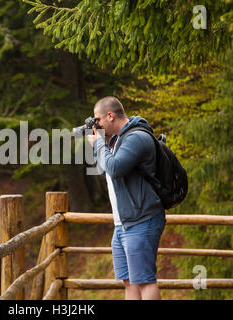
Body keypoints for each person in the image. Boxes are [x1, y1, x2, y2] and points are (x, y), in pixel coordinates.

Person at [87, 96, 166, 300]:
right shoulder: (116, 140)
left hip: (142, 219)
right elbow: (104, 169)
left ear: (110, 116)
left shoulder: (136, 137)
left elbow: (114, 169)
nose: (97, 124)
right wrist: (100, 145)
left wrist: (98, 144)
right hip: (122, 223)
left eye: (98, 119)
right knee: (130, 282)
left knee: (145, 282)